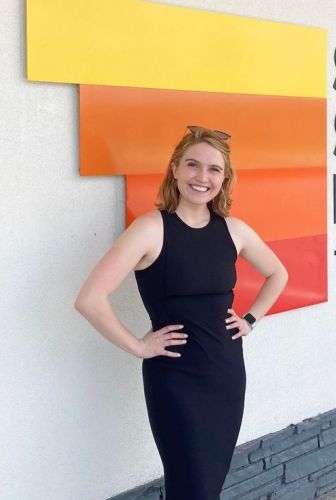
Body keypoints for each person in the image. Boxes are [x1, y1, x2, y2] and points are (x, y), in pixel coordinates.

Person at [74, 125, 288, 499]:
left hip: (225, 374)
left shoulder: (234, 231)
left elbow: (278, 274)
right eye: (192, 165)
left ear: (224, 178)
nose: (202, 177)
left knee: (208, 485)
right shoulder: (150, 229)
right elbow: (90, 299)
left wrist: (250, 320)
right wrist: (138, 346)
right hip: (175, 380)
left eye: (213, 169)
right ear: (175, 169)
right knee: (191, 487)